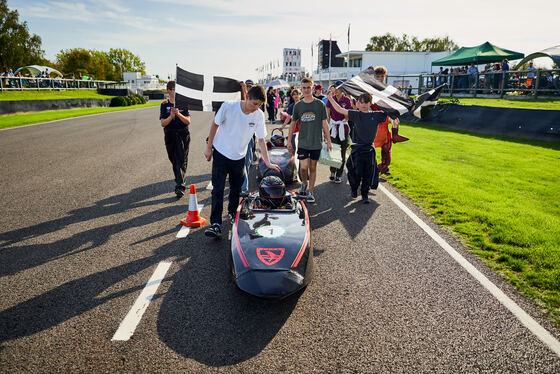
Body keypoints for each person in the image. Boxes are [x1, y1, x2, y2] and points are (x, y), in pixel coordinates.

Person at [204, 83, 280, 238]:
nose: (256, 107)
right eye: (254, 104)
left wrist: (267, 161)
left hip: (239, 156)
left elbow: (261, 140)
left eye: (259, 105)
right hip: (221, 152)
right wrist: (209, 147)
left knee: (235, 190)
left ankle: (232, 214)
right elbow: (214, 126)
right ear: (247, 97)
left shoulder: (258, 115)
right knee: (218, 189)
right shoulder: (228, 106)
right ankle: (216, 223)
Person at [327, 90, 399, 203]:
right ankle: (354, 189)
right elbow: (340, 110)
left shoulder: (377, 115)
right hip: (357, 150)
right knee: (355, 172)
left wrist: (395, 121)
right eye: (361, 102)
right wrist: (330, 98)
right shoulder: (355, 114)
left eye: (367, 102)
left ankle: (364, 195)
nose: (364, 105)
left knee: (367, 174)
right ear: (357, 104)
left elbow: (392, 116)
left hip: (369, 150)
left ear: (370, 103)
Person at [287, 78, 332, 204]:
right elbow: (292, 124)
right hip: (303, 142)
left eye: (308, 87)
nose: (306, 90)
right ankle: (304, 184)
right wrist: (289, 141)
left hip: (315, 142)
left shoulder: (319, 105)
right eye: (304, 87)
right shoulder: (298, 106)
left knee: (312, 167)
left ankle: (310, 192)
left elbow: (325, 123)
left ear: (312, 88)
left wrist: (328, 140)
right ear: (301, 89)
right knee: (303, 167)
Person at [370, 66, 408, 176]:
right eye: (378, 76)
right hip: (375, 120)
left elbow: (392, 104)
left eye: (382, 76)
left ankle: (384, 166)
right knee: (370, 146)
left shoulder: (388, 90)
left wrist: (393, 116)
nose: (380, 78)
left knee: (386, 146)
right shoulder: (371, 90)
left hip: (385, 119)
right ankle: (370, 167)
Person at [159, 81, 191, 198]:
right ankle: (180, 177)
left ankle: (180, 186)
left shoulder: (183, 103)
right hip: (170, 134)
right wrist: (171, 116)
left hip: (182, 133)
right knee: (174, 159)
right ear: (169, 90)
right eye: (174, 89)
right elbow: (163, 123)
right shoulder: (164, 104)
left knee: (181, 158)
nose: (176, 91)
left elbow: (188, 121)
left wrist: (178, 114)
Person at [326, 80, 352, 184]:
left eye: (339, 88)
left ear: (342, 89)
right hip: (333, 127)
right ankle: (332, 171)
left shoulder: (347, 100)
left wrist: (345, 114)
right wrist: (327, 128)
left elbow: (348, 116)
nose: (336, 90)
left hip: (343, 127)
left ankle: (339, 174)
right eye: (335, 88)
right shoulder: (330, 99)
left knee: (342, 152)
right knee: (334, 150)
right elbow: (328, 115)